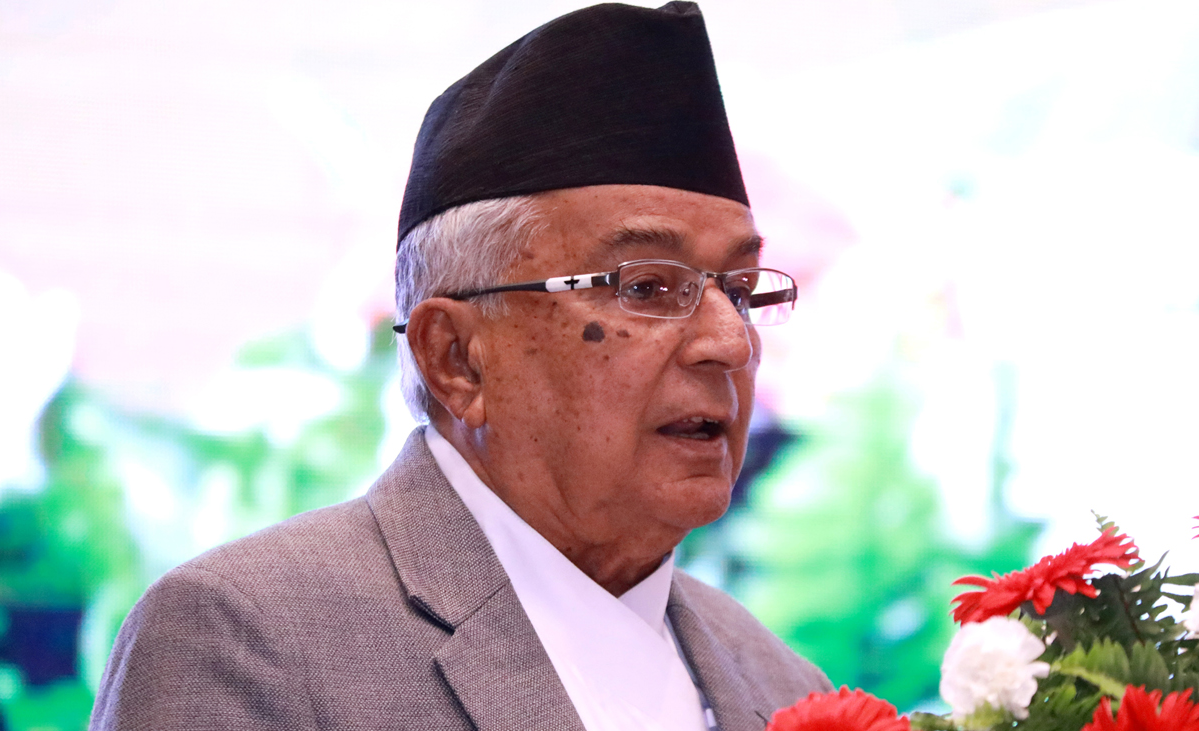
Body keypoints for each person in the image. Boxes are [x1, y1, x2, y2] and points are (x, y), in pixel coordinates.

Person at [89, 3, 832, 730]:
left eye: (741, 291)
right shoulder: (247, 638)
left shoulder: (782, 684)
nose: (730, 342)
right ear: (456, 360)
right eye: (645, 288)